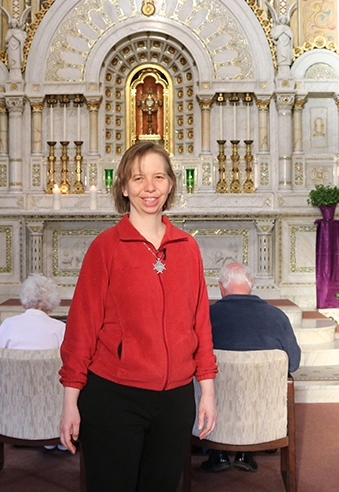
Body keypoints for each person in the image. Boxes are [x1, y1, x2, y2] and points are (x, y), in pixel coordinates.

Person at [59, 140, 218, 492]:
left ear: (171, 184)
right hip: (114, 397)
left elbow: (200, 324)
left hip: (175, 399)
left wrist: (206, 391)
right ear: (125, 187)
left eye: (159, 177)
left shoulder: (187, 248)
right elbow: (81, 328)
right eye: (138, 178)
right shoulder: (106, 247)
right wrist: (70, 402)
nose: (150, 188)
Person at [201, 262, 301, 473]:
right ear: (252, 284)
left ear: (221, 286)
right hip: (261, 409)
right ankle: (247, 452)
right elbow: (294, 363)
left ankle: (216, 453)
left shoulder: (205, 318)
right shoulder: (277, 317)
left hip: (217, 406)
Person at [0, 274, 66, 373]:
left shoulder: (9, 324)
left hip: (10, 387)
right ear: (51, 308)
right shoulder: (61, 328)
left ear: (23, 304)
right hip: (49, 387)